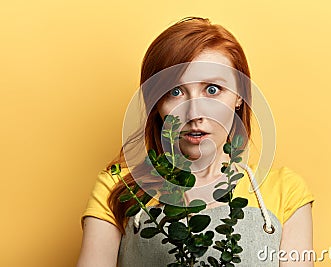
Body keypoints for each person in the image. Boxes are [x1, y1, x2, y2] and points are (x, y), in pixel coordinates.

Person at [77, 17, 314, 267]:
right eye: (174, 92)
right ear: (155, 103)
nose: (193, 114)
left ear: (239, 97)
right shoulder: (118, 189)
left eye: (212, 90)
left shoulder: (285, 192)